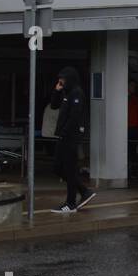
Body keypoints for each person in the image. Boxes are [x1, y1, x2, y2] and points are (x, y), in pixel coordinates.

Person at [50, 67, 95, 212]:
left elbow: (74, 117)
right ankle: (84, 191)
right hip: (63, 135)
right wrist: (57, 91)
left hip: (70, 137)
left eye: (62, 78)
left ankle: (70, 203)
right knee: (58, 168)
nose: (60, 81)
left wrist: (65, 132)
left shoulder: (77, 93)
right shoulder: (66, 92)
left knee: (69, 169)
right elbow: (53, 105)